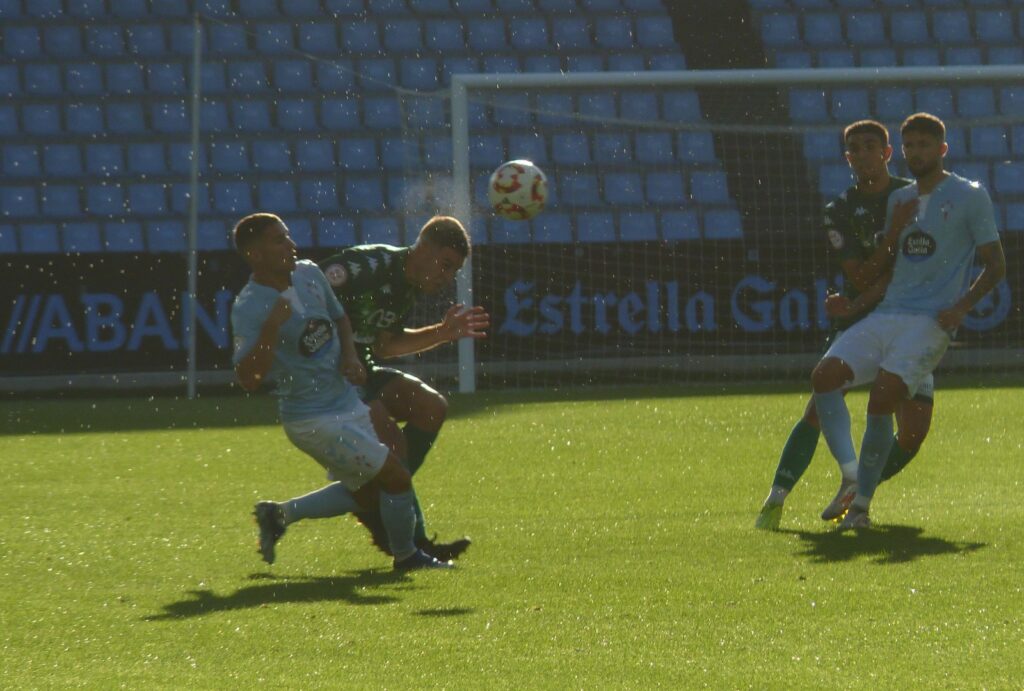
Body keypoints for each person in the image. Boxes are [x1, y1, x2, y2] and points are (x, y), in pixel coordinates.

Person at [811, 113, 1006, 530]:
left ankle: (860, 507)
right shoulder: (899, 202)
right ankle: (851, 475)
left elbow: (996, 266)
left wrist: (961, 307)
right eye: (909, 146)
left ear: (942, 149)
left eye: (924, 145)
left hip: (930, 321)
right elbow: (891, 269)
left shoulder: (970, 196)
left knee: (883, 399)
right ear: (902, 152)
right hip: (887, 313)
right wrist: (855, 304)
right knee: (824, 375)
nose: (916, 153)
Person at [229, 212, 452, 570]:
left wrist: (349, 356)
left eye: (287, 237)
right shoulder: (249, 306)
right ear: (254, 254)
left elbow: (340, 317)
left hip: (345, 398)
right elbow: (248, 378)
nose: (290, 245)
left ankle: (279, 515)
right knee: (394, 476)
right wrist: (271, 328)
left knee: (366, 496)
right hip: (311, 417)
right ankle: (409, 555)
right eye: (278, 241)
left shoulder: (308, 274)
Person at [755, 119, 935, 531]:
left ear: (887, 154)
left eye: (871, 146)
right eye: (854, 148)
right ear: (847, 158)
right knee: (820, 398)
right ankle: (776, 499)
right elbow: (861, 275)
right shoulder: (839, 210)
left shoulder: (914, 198)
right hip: (864, 322)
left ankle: (856, 487)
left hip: (911, 324)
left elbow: (911, 270)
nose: (862, 154)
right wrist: (859, 297)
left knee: (912, 434)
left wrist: (863, 293)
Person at [318, 216, 488, 559]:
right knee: (392, 443)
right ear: (422, 247)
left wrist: (442, 332)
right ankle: (411, 542)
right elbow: (308, 288)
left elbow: (384, 345)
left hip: (361, 369)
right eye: (444, 264)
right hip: (329, 375)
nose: (445, 276)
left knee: (431, 407)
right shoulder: (370, 265)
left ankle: (377, 502)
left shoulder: (407, 288)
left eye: (452, 271)